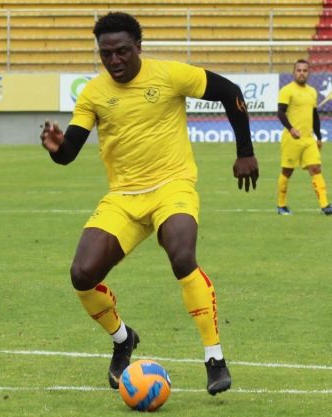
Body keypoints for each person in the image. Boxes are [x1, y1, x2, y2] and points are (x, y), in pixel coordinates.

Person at [40, 12, 259, 396]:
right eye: (106, 54)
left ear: (138, 47)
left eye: (122, 51)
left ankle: (214, 358)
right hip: (123, 198)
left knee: (181, 256)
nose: (115, 61)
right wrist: (58, 150)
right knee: (82, 274)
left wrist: (245, 152)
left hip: (172, 187)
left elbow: (230, 91)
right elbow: (70, 150)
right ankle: (123, 338)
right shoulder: (93, 93)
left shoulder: (169, 74)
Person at [276, 59, 332, 216]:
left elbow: (314, 116)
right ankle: (281, 205)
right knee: (287, 171)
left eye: (305, 70)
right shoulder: (287, 90)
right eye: (299, 70)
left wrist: (319, 136)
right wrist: (291, 128)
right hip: (291, 139)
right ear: (294, 73)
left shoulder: (312, 92)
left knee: (316, 168)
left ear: (309, 73)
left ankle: (325, 205)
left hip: (308, 140)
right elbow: (280, 112)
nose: (302, 73)